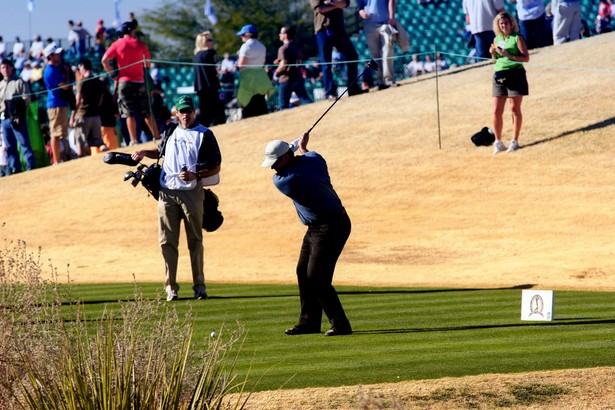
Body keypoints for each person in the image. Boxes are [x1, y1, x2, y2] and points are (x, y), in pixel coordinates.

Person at [261, 133, 353, 337]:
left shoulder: (287, 181)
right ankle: (309, 322)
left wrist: (294, 147)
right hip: (317, 227)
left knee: (317, 277)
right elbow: (310, 155)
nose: (272, 168)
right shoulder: (316, 161)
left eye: (275, 163)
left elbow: (279, 176)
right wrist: (301, 147)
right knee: (303, 271)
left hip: (332, 226)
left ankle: (341, 325)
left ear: (285, 158)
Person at [131, 95, 221, 302]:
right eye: (182, 111)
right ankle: (170, 287)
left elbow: (215, 165)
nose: (185, 115)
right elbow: (160, 151)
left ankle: (200, 286)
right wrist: (145, 151)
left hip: (192, 191)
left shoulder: (205, 134)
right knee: (167, 241)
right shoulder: (171, 130)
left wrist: (195, 175)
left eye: (188, 111)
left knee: (195, 241)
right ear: (177, 113)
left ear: (193, 112)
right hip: (167, 193)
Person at [101, 20, 159, 145]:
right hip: (139, 81)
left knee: (129, 113)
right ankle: (157, 137)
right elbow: (147, 64)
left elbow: (104, 60)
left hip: (124, 82)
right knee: (147, 112)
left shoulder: (117, 44)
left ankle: (133, 140)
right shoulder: (140, 44)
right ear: (132, 31)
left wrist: (113, 75)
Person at [489, 12, 529, 154]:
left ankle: (514, 140)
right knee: (496, 110)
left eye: (506, 23)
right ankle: (498, 141)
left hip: (515, 75)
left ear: (511, 23)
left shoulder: (517, 38)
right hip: (499, 76)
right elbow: (495, 61)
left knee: (514, 109)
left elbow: (526, 58)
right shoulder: (497, 38)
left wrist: (509, 55)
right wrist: (493, 54)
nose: (504, 26)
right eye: (501, 24)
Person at [311, 0, 364, 99]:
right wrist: (337, 5)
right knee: (326, 63)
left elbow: (346, 3)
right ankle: (329, 92)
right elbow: (320, 8)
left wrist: (330, 2)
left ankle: (353, 88)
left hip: (339, 29)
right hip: (323, 30)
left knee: (352, 56)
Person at [0, 59, 35, 175]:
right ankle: (15, 168)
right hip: (4, 118)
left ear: (12, 68)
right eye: (3, 68)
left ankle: (30, 165)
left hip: (16, 117)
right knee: (10, 146)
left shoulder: (19, 82)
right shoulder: (1, 85)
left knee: (23, 142)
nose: (5, 70)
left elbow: (26, 99)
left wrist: (19, 114)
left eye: (7, 67)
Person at [70, 57, 107, 157]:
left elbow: (77, 101)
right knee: (100, 143)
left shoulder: (82, 82)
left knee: (80, 145)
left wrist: (72, 117)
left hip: (83, 115)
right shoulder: (98, 81)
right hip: (95, 115)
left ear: (82, 66)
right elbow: (100, 99)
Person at [236, 24, 274, 118]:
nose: (241, 37)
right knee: (260, 99)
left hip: (248, 78)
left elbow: (241, 64)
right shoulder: (262, 46)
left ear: (248, 34)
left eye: (243, 35)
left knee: (248, 101)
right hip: (260, 76)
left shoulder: (246, 46)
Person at [358, 0, 398, 90]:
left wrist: (392, 17)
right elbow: (360, 7)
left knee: (388, 50)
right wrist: (362, 13)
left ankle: (389, 79)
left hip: (385, 22)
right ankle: (380, 81)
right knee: (374, 55)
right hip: (369, 24)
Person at [43, 46, 71, 165]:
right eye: (56, 54)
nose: (59, 56)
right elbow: (64, 86)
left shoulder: (55, 68)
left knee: (60, 133)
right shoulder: (51, 70)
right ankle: (56, 161)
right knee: (55, 133)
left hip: (59, 103)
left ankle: (58, 159)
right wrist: (68, 74)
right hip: (55, 104)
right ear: (50, 56)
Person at [274, 26, 312, 110]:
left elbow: (284, 64)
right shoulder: (297, 46)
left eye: (281, 33)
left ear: (286, 35)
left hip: (286, 79)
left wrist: (276, 73)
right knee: (305, 99)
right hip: (298, 77)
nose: (279, 34)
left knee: (283, 106)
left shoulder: (283, 48)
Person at [193, 31, 226, 126]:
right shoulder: (209, 53)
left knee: (205, 113)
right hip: (211, 86)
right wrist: (217, 74)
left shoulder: (196, 56)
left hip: (201, 87)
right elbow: (214, 70)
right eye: (209, 40)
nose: (212, 42)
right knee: (218, 112)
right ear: (204, 42)